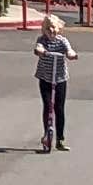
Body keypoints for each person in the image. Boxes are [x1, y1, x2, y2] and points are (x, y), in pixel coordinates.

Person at [33, 14, 73, 152]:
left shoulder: (62, 41)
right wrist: (41, 51)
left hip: (60, 78)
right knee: (48, 105)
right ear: (44, 29)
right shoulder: (42, 40)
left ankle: (60, 139)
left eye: (54, 28)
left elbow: (69, 50)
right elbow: (38, 48)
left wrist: (71, 54)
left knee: (59, 108)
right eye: (48, 28)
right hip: (45, 77)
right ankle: (47, 134)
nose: (51, 31)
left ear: (59, 28)